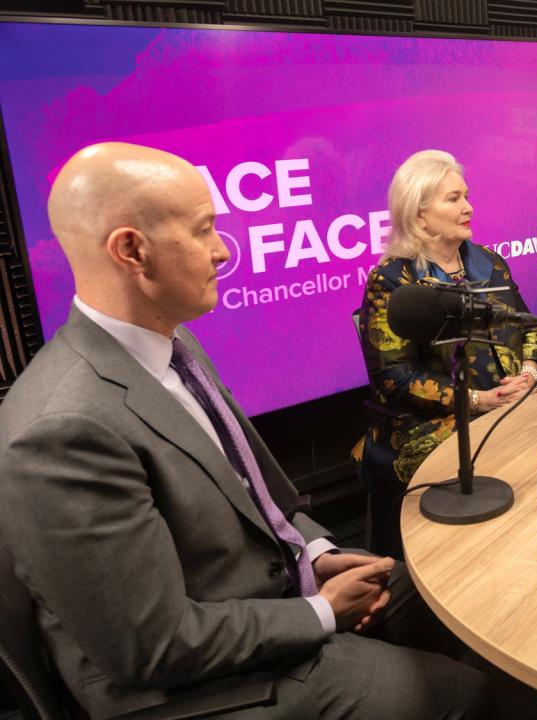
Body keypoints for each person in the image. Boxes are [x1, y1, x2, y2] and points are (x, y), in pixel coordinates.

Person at [0, 143, 491, 719]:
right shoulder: (64, 427)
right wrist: (323, 613)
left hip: (277, 594)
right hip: (204, 685)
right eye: (205, 230)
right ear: (131, 250)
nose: (223, 250)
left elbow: (261, 503)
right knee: (473, 697)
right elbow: (150, 647)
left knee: (473, 616)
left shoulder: (176, 344)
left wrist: (319, 553)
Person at [354, 150, 537, 558]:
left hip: (508, 407)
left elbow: (530, 327)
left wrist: (528, 374)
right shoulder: (392, 281)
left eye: (466, 196)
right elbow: (393, 378)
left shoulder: (490, 264)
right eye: (453, 199)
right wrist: (478, 400)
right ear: (419, 215)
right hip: (429, 424)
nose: (468, 207)